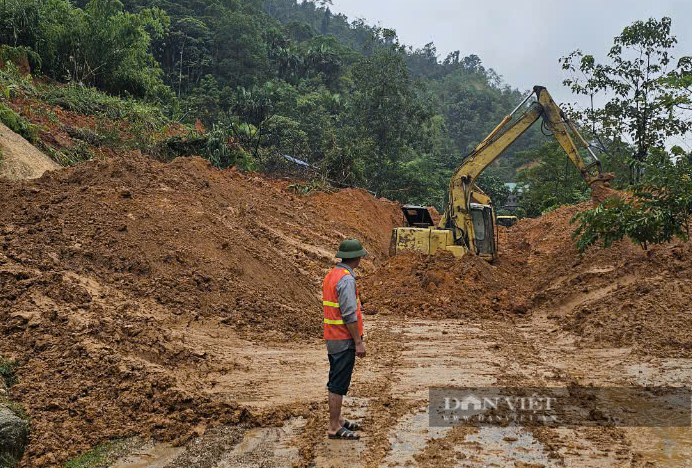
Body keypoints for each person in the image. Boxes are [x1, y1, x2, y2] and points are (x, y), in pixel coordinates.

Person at [323, 238, 368, 440]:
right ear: (356, 258)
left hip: (332, 337)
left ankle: (338, 419)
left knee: (336, 378)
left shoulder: (332, 275)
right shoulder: (347, 279)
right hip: (342, 338)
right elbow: (349, 314)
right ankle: (334, 427)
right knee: (338, 383)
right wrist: (358, 342)